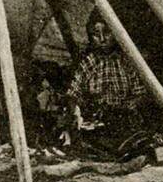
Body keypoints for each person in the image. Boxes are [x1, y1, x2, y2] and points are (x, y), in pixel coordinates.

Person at [65, 9, 153, 158]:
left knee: (134, 140)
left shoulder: (126, 62)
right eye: (95, 34)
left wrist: (130, 105)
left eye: (106, 33)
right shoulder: (89, 63)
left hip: (124, 119)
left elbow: (141, 93)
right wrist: (76, 112)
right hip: (98, 122)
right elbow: (73, 94)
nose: (102, 39)